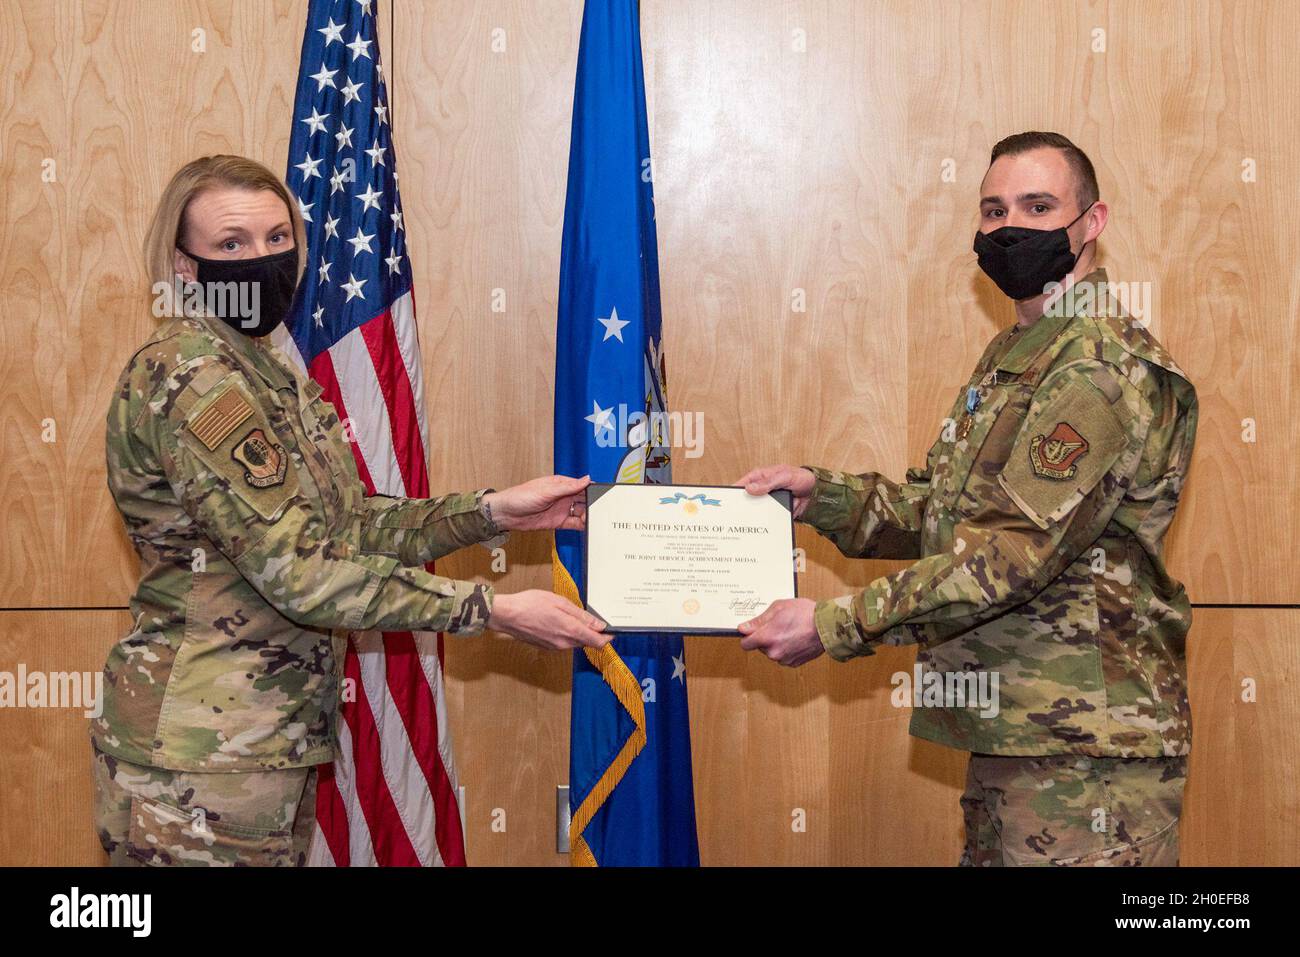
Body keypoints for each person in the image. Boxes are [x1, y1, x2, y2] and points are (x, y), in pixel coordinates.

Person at [92, 154, 608, 866]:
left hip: (255, 745)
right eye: (232, 244)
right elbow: (302, 572)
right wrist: (491, 609)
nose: (263, 260)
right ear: (184, 266)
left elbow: (349, 526)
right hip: (199, 760)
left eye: (278, 239)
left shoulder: (260, 369)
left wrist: (494, 513)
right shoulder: (197, 379)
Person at [736, 131, 1199, 866]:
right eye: (993, 210)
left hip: (1087, 758)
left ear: (1094, 222)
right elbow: (948, 515)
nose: (1010, 226)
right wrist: (821, 497)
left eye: (1039, 205)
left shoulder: (1099, 369)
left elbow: (1009, 555)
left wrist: (838, 620)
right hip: (1015, 729)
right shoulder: (1019, 353)